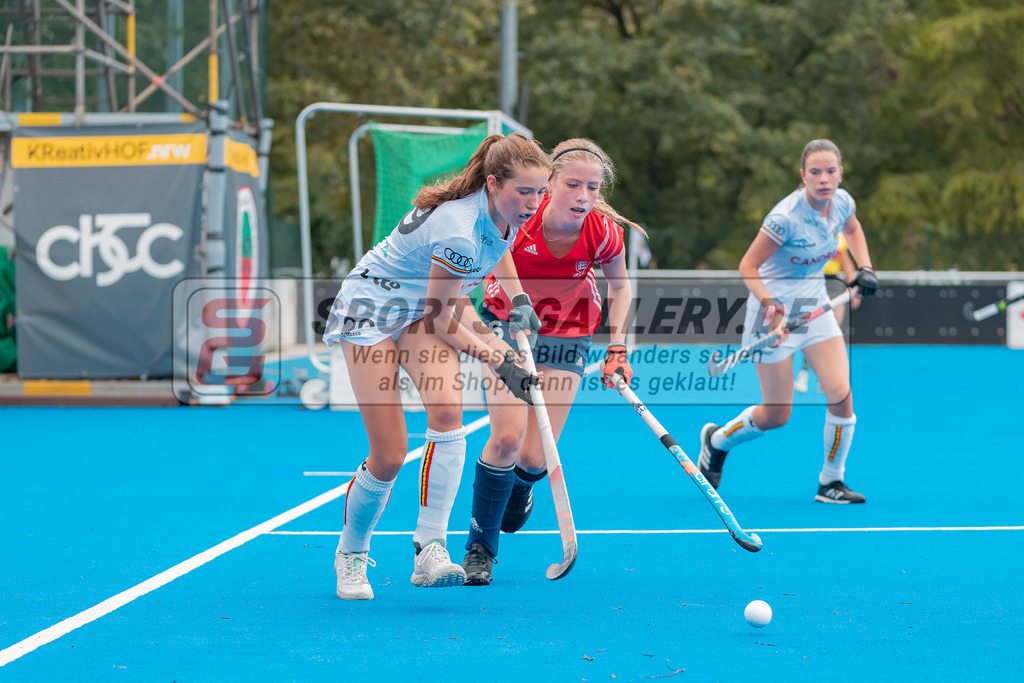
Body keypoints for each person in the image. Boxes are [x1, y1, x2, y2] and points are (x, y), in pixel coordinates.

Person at [322, 132, 551, 600]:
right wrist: (499, 359)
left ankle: (430, 548)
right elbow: (443, 318)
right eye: (524, 192)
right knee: (388, 454)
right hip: (372, 309)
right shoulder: (457, 230)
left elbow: (500, 247)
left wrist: (520, 297)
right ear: (492, 183)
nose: (533, 202)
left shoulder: (504, 212)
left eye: (540, 191)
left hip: (423, 306)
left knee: (448, 417)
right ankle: (351, 553)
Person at [457, 138, 646, 585]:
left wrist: (616, 347)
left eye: (593, 188)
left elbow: (621, 288)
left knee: (536, 458)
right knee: (505, 438)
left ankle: (520, 488)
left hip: (570, 332)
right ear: (549, 184)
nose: (583, 196)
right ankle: (480, 548)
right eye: (573, 184)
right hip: (506, 322)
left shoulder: (602, 232)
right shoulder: (517, 220)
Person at [698, 139, 877, 504]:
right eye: (815, 172)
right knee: (777, 414)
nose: (824, 179)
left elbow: (854, 229)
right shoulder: (785, 218)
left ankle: (831, 482)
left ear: (841, 173)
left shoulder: (842, 202)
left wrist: (865, 267)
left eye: (831, 171)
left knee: (841, 395)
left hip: (815, 308)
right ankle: (717, 441)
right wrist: (770, 305)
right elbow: (747, 266)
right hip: (771, 313)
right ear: (803, 176)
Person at [793, 233, 860, 393]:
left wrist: (853, 290)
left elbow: (846, 262)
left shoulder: (838, 235)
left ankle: (825, 378)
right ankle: (804, 374)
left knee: (833, 333)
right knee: (810, 332)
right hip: (813, 285)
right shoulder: (806, 234)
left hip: (834, 286)